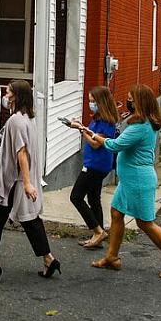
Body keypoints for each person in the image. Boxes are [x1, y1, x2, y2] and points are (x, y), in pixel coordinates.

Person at [80, 84, 161, 280]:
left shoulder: (140, 127)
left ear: (139, 102)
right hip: (129, 179)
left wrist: (90, 133)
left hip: (138, 180)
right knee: (116, 213)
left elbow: (114, 145)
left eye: (131, 99)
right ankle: (112, 256)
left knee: (145, 223)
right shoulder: (144, 123)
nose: (128, 101)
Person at [0, 79, 61, 282]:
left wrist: (27, 182)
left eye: (7, 92)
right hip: (18, 179)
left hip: (10, 181)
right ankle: (49, 259)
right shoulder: (28, 118)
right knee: (30, 219)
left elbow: (21, 152)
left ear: (16, 96)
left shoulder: (15, 120)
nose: (5, 96)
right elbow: (13, 148)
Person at [68, 86, 117, 249]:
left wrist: (81, 130)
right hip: (95, 163)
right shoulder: (98, 118)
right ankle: (99, 235)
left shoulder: (107, 121)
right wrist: (81, 127)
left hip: (96, 165)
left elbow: (96, 144)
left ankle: (97, 231)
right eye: (89, 101)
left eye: (92, 101)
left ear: (101, 102)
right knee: (93, 199)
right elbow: (91, 133)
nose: (90, 104)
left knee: (76, 196)